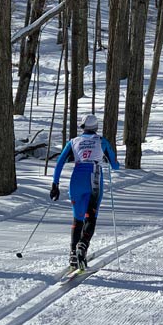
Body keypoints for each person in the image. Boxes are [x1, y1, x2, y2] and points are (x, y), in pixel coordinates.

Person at [50, 114, 120, 270]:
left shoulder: (73, 141)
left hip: (76, 181)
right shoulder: (101, 141)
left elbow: (60, 162)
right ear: (96, 128)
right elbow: (115, 166)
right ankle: (82, 246)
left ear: (82, 127)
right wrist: (109, 159)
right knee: (91, 216)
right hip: (93, 179)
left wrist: (55, 184)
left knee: (77, 218)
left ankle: (73, 255)